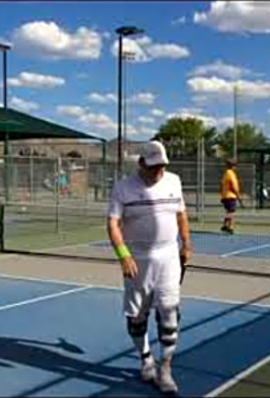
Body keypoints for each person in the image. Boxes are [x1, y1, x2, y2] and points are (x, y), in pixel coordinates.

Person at [107, 140, 192, 395]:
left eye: (162, 167)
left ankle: (165, 367)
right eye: (153, 167)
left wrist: (187, 243)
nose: (159, 172)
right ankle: (146, 360)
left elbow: (181, 215)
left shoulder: (174, 182)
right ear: (141, 163)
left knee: (169, 310)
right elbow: (112, 224)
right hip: (137, 260)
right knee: (137, 316)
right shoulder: (123, 188)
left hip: (168, 256)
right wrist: (123, 256)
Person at [219, 159, 241, 234]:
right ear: (232, 166)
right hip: (230, 196)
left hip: (226, 195)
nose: (236, 167)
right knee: (231, 212)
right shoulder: (231, 173)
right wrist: (238, 195)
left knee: (229, 211)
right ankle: (230, 227)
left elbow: (222, 184)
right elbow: (233, 185)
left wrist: (222, 194)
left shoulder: (226, 173)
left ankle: (225, 225)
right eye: (235, 165)